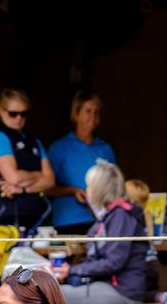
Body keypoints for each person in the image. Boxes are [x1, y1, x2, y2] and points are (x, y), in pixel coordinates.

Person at [52, 161, 149, 304]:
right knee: (49, 292)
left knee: (53, 296)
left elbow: (114, 262)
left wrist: (73, 270)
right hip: (110, 285)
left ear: (100, 189)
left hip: (122, 289)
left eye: (89, 186)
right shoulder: (110, 214)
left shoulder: (121, 215)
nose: (87, 190)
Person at [47, 92, 117, 236]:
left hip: (102, 220)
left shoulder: (105, 149)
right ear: (76, 115)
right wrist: (73, 191)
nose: (93, 116)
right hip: (68, 220)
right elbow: (47, 188)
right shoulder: (59, 148)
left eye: (96, 112)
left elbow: (115, 187)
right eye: (88, 111)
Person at [0, 88, 55, 232]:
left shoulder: (34, 140)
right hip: (7, 216)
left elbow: (50, 181)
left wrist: (23, 189)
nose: (19, 118)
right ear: (2, 111)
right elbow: (13, 178)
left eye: (24, 114)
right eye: (13, 114)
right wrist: (38, 175)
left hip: (39, 215)